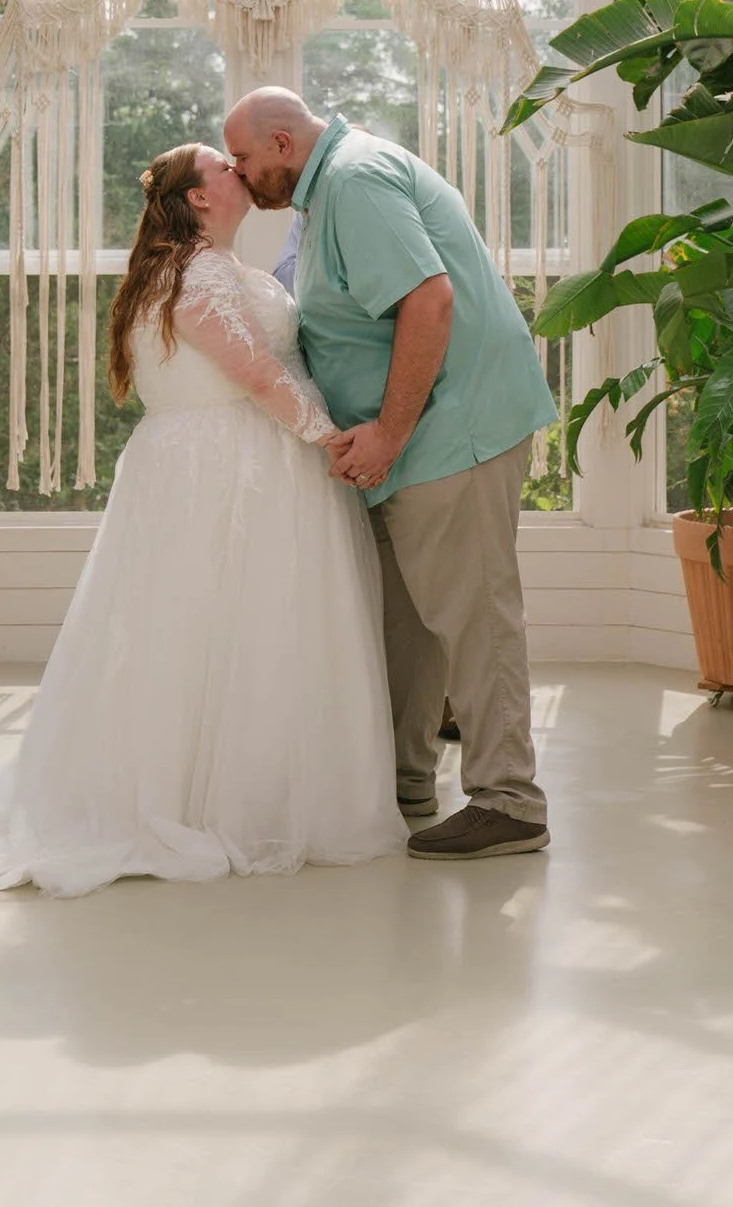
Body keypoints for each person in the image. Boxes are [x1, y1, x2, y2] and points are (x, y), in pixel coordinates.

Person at [0, 143, 405, 897]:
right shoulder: (199, 272)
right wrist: (333, 439)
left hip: (214, 461)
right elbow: (256, 373)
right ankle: (219, 801)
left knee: (214, 628)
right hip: (226, 464)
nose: (239, 170)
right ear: (199, 197)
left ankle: (239, 788)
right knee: (219, 624)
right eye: (224, 166)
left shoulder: (201, 266)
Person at [223, 89, 557, 861]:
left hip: (450, 432)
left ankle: (509, 802)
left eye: (243, 157)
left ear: (282, 143)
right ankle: (406, 785)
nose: (240, 173)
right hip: (413, 446)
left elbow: (428, 301)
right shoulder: (329, 188)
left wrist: (389, 433)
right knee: (407, 626)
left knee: (473, 615)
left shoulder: (354, 181)